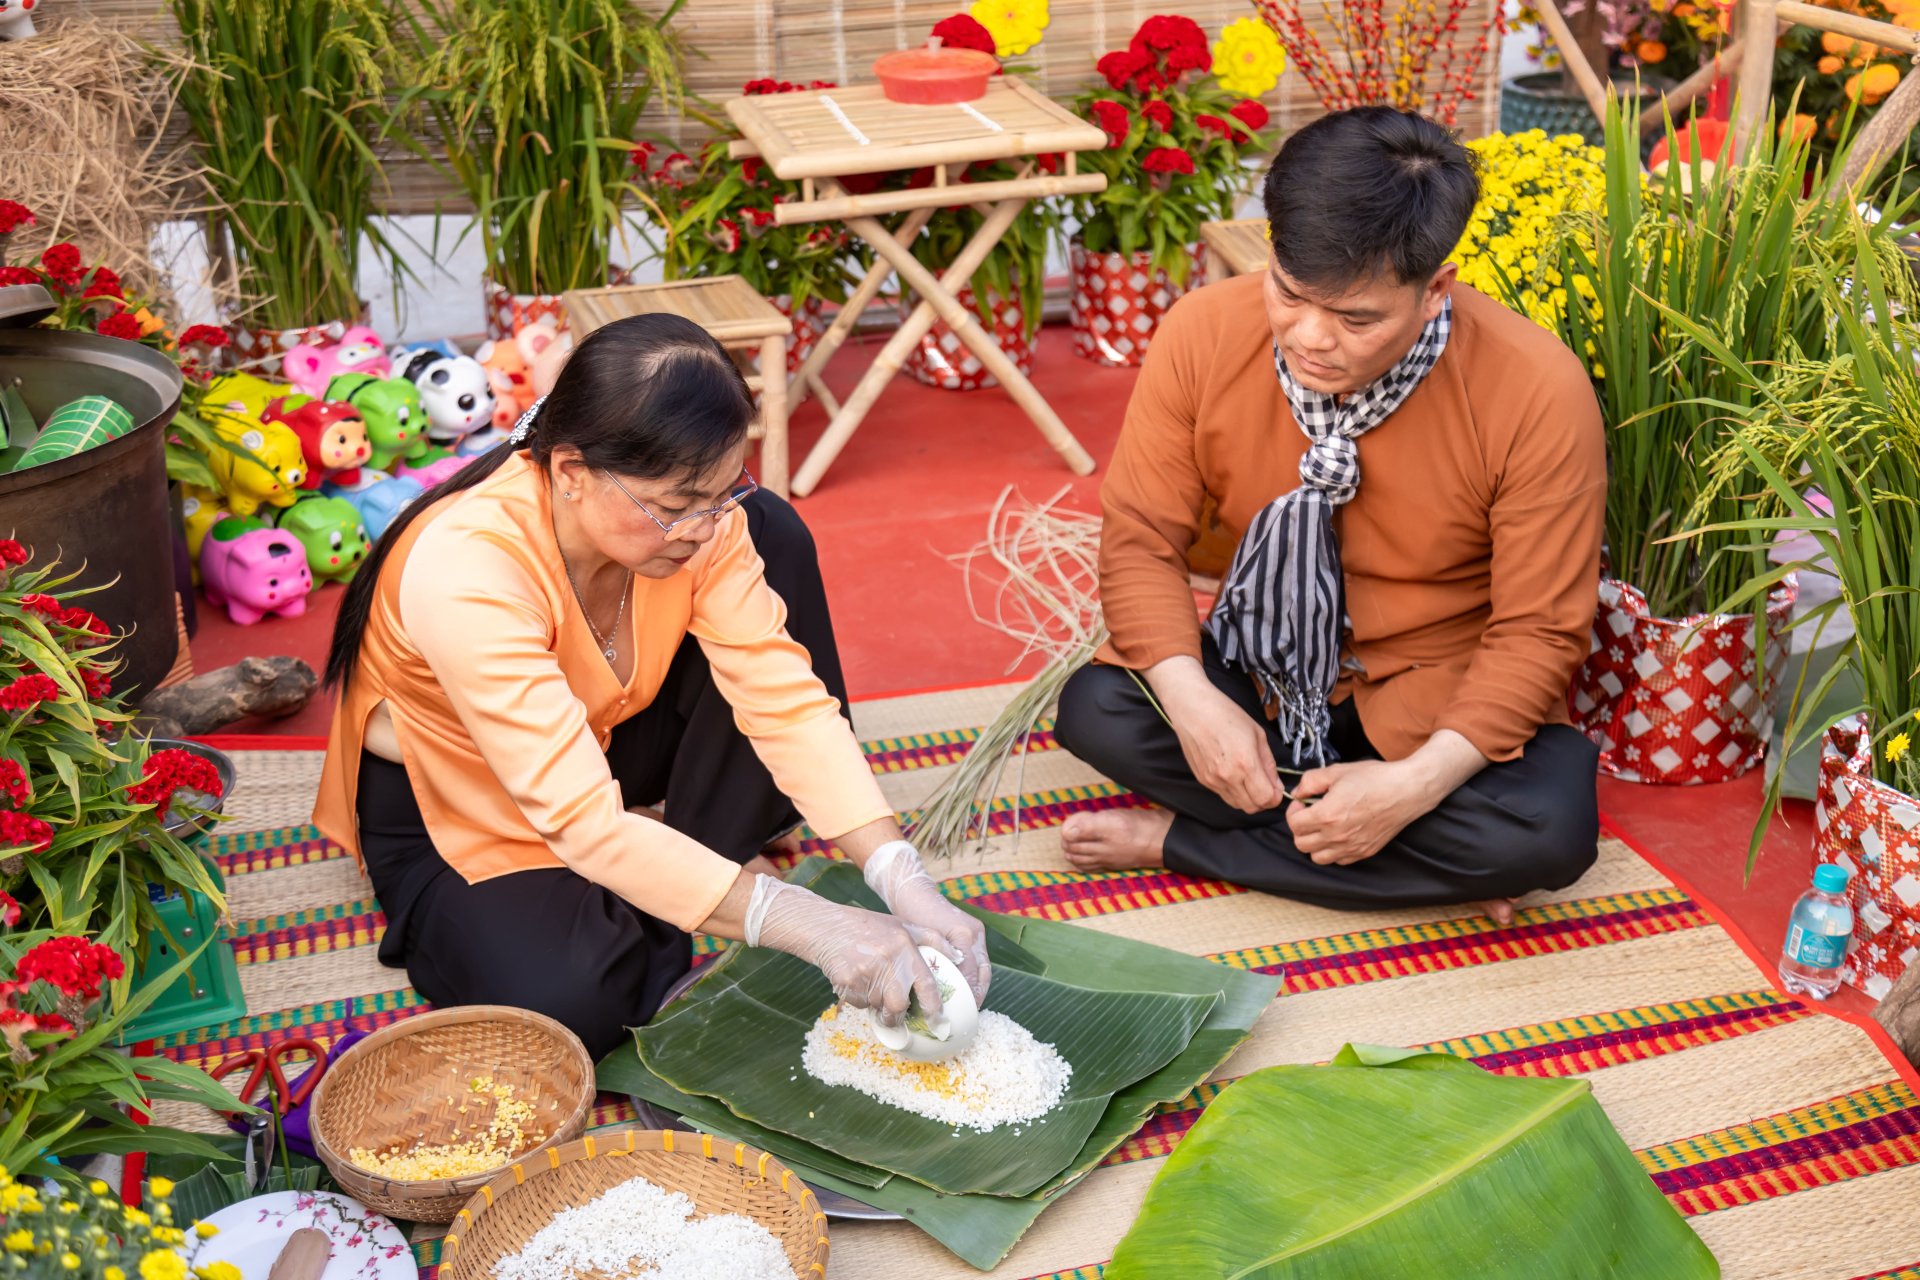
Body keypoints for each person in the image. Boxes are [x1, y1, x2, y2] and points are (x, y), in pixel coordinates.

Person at [312, 314, 988, 1058]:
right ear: (571, 471)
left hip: (602, 737)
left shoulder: (704, 519)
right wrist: (804, 921)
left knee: (771, 529)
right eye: (673, 506)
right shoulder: (466, 567)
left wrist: (900, 874)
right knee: (575, 1003)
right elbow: (580, 819)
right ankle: (686, 880)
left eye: (718, 494)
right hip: (460, 803)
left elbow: (782, 696)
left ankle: (687, 869)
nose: (702, 527)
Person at [1052, 107, 1607, 924]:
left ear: (1435, 290)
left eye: (1356, 319)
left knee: (1548, 835)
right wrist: (1196, 706)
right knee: (1098, 711)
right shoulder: (1203, 332)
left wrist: (1411, 790)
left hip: (1433, 698)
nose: (1310, 338)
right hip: (1266, 674)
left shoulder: (1535, 388)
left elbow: (1540, 632)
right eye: (1288, 292)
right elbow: (1141, 541)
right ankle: (1418, 861)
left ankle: (1186, 842)